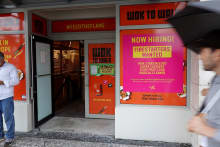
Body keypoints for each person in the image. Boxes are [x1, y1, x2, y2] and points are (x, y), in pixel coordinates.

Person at [187, 31, 220, 147]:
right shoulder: (215, 80)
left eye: (203, 51)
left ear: (217, 54)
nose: (199, 56)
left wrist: (206, 130)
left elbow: (209, 129)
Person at [0, 52, 19, 146]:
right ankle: (0, 136)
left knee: (8, 117)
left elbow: (16, 81)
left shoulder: (11, 67)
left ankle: (10, 137)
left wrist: (3, 82)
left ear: (3, 58)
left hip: (6, 97)